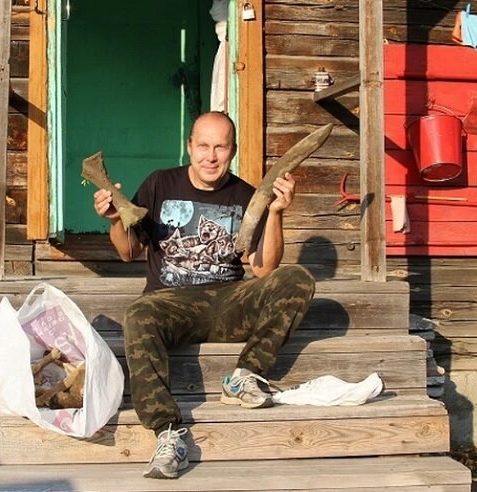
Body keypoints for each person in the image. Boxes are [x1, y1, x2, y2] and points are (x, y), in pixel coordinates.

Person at [93, 111, 315, 479]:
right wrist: (116, 220)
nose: (211, 157)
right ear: (190, 146)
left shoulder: (246, 195)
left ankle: (245, 376)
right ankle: (167, 433)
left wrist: (276, 212)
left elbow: (264, 269)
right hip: (169, 303)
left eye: (220, 148)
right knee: (138, 314)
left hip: (228, 302)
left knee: (297, 278)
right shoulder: (159, 184)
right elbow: (128, 251)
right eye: (203, 146)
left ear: (233, 150)